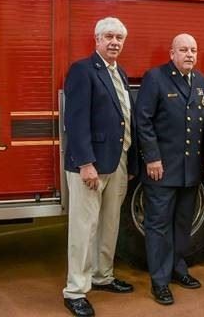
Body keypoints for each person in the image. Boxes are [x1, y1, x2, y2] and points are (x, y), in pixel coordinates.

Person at [62, 17, 138, 317]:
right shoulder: (83, 70)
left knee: (109, 224)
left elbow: (124, 119)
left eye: (120, 37)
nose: (115, 42)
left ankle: (103, 275)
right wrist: (85, 163)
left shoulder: (120, 71)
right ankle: (75, 290)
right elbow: (75, 120)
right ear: (97, 40)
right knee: (84, 228)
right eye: (109, 36)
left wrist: (129, 161)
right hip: (91, 164)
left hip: (117, 160)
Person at [136, 33, 204, 305]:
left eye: (193, 49)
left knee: (183, 224)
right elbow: (143, 121)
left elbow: (202, 124)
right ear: (172, 53)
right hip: (162, 169)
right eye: (183, 50)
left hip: (191, 169)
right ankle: (159, 281)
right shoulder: (155, 78)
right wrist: (152, 158)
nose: (189, 54)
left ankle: (178, 269)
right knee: (158, 225)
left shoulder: (202, 81)